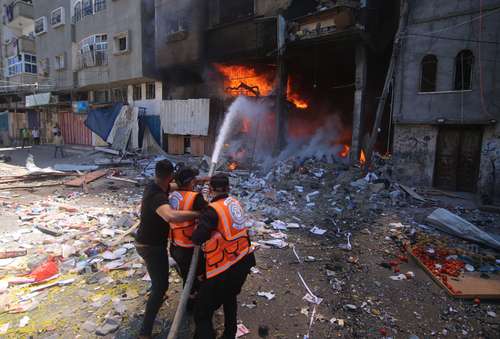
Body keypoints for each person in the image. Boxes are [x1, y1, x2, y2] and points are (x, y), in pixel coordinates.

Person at [135, 160, 200, 339]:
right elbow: (171, 216)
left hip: (148, 242)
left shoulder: (156, 184)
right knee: (161, 286)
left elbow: (178, 184)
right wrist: (198, 214)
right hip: (151, 247)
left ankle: (189, 301)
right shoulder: (157, 196)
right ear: (169, 175)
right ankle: (144, 333)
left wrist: (203, 179)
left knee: (166, 280)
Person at [192, 173, 256, 339]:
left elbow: (198, 238)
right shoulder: (234, 202)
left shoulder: (212, 210)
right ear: (228, 188)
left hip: (223, 267)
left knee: (202, 312)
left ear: (211, 189)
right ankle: (229, 334)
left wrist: (199, 220)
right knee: (230, 298)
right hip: (242, 260)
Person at [169, 167, 207, 308]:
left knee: (187, 275)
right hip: (188, 246)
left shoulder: (173, 195)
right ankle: (193, 303)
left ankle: (190, 301)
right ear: (191, 181)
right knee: (197, 275)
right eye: (194, 180)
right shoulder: (195, 197)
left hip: (174, 244)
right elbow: (207, 213)